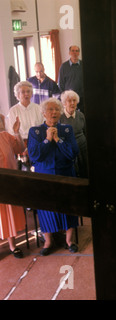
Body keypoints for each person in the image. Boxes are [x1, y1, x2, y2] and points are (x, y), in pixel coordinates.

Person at [27, 98, 79, 255]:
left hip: (66, 173)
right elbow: (34, 156)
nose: (54, 112)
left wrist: (58, 139)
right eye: (50, 109)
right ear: (43, 113)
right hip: (45, 175)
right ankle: (48, 242)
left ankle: (70, 240)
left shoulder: (67, 129)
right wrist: (47, 140)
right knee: (46, 208)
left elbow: (73, 153)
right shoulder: (35, 131)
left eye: (56, 109)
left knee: (69, 205)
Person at [0, 114, 26, 258]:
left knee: (8, 213)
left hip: (8, 181)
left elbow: (20, 149)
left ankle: (12, 246)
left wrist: (16, 132)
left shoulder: (5, 136)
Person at [60, 90, 88, 178]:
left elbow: (85, 131)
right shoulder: (60, 117)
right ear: (64, 103)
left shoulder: (81, 115)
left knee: (85, 170)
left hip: (82, 146)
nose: (72, 103)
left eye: (74, 100)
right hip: (68, 148)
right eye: (69, 101)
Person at [58, 45, 84, 112]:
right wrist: (64, 98)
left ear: (79, 53)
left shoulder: (83, 65)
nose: (75, 53)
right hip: (69, 100)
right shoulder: (64, 66)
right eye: (73, 51)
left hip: (82, 99)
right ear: (69, 53)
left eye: (77, 51)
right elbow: (61, 84)